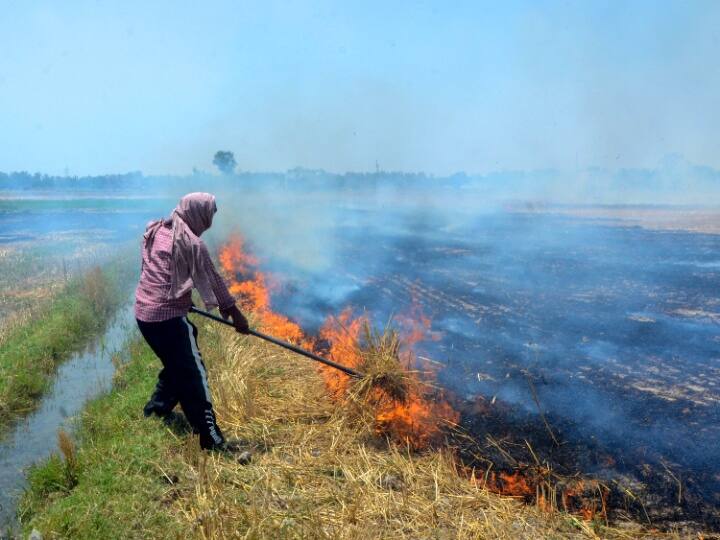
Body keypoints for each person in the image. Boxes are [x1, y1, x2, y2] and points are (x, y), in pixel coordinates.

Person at [134, 192, 249, 451]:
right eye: (210, 215)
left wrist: (181, 296)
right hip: (167, 318)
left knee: (178, 362)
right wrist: (236, 315)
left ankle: (157, 408)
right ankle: (211, 438)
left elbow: (159, 270)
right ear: (199, 213)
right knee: (194, 376)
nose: (210, 221)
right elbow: (213, 279)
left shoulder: (156, 228)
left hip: (144, 314)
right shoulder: (193, 243)